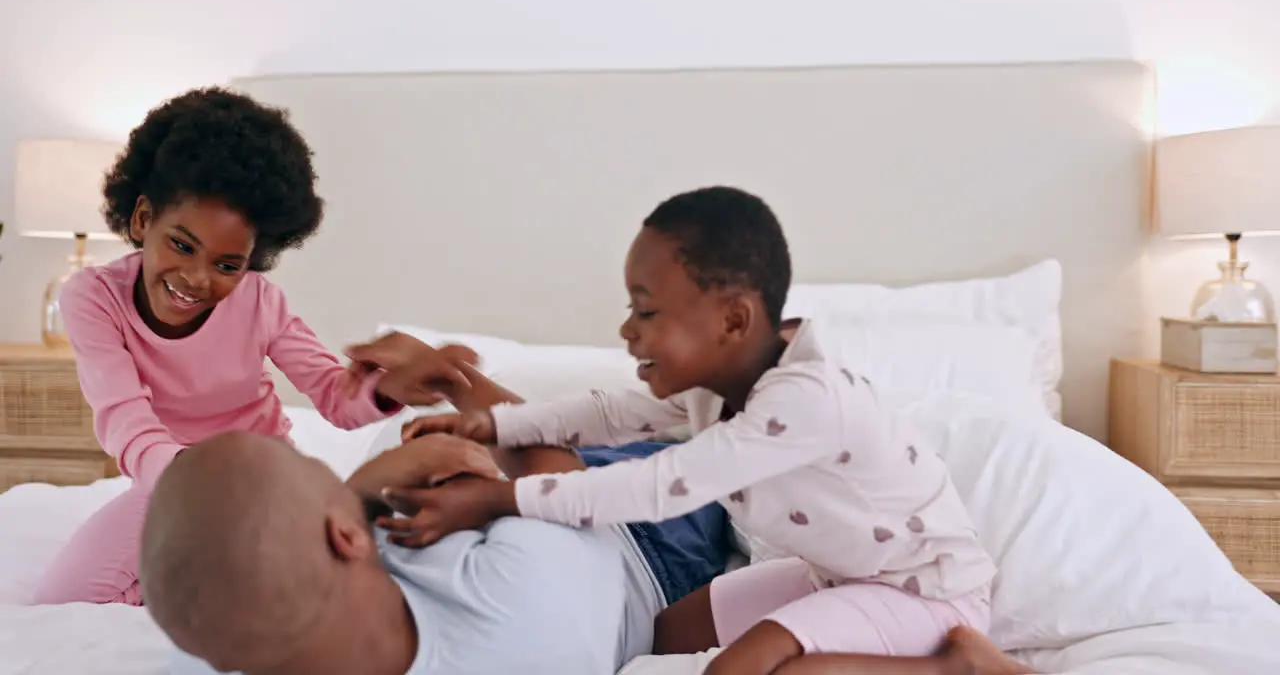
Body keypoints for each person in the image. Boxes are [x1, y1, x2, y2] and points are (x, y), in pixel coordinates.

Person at [374, 186, 1002, 674]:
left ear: (733, 321)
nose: (627, 331)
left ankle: (958, 666)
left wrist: (494, 496)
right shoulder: (723, 385)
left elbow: (662, 485)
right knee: (667, 637)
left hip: (926, 590)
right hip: (838, 575)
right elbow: (609, 414)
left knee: (748, 666)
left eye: (646, 311)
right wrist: (492, 421)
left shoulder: (804, 401)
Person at [30, 87, 470, 606]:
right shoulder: (94, 297)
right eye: (181, 245)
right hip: (174, 483)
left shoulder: (260, 302)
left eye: (226, 265)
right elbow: (126, 420)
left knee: (293, 591)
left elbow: (333, 393)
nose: (196, 278)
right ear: (143, 218)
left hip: (262, 476)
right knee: (66, 600)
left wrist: (385, 387)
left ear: (252, 259)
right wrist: (193, 490)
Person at [146, 371, 733, 675]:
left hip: (506, 534)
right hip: (639, 541)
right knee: (710, 444)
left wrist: (364, 490)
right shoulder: (516, 613)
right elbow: (562, 476)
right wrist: (455, 384)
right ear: (344, 535)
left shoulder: (215, 636)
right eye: (310, 464)